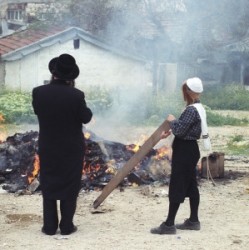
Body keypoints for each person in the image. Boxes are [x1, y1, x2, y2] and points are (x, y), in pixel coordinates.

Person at [32, 53, 93, 236]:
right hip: (71, 149)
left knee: (49, 183)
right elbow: (86, 117)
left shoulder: (39, 92)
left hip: (48, 146)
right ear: (71, 76)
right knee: (70, 184)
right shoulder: (76, 95)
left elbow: (38, 111)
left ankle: (49, 227)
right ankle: (66, 226)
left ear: (53, 72)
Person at [151, 77, 206, 235]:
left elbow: (181, 131)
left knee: (177, 184)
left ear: (188, 91)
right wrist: (174, 128)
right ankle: (193, 221)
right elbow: (184, 129)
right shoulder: (198, 108)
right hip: (190, 149)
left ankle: (169, 224)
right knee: (190, 184)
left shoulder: (191, 110)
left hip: (185, 151)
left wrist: (172, 121)